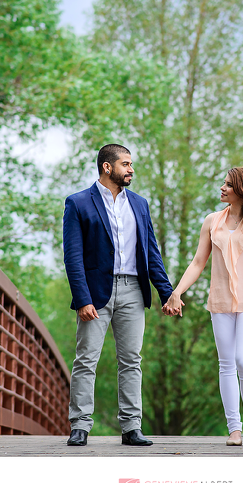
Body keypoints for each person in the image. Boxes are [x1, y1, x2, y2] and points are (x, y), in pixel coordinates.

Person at [63, 144, 174, 446]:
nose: (131, 169)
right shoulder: (78, 202)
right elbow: (73, 256)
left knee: (131, 361)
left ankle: (132, 427)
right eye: (126, 164)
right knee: (86, 359)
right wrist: (82, 298)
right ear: (107, 167)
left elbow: (151, 252)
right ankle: (80, 426)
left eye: (131, 164)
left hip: (133, 290)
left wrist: (166, 293)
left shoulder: (139, 204)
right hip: (95, 293)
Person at [163, 167, 243, 446]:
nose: (222, 188)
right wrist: (177, 291)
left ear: (242, 190)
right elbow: (197, 262)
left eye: (228, 184)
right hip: (220, 301)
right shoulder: (211, 221)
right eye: (223, 183)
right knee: (226, 364)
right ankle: (234, 431)